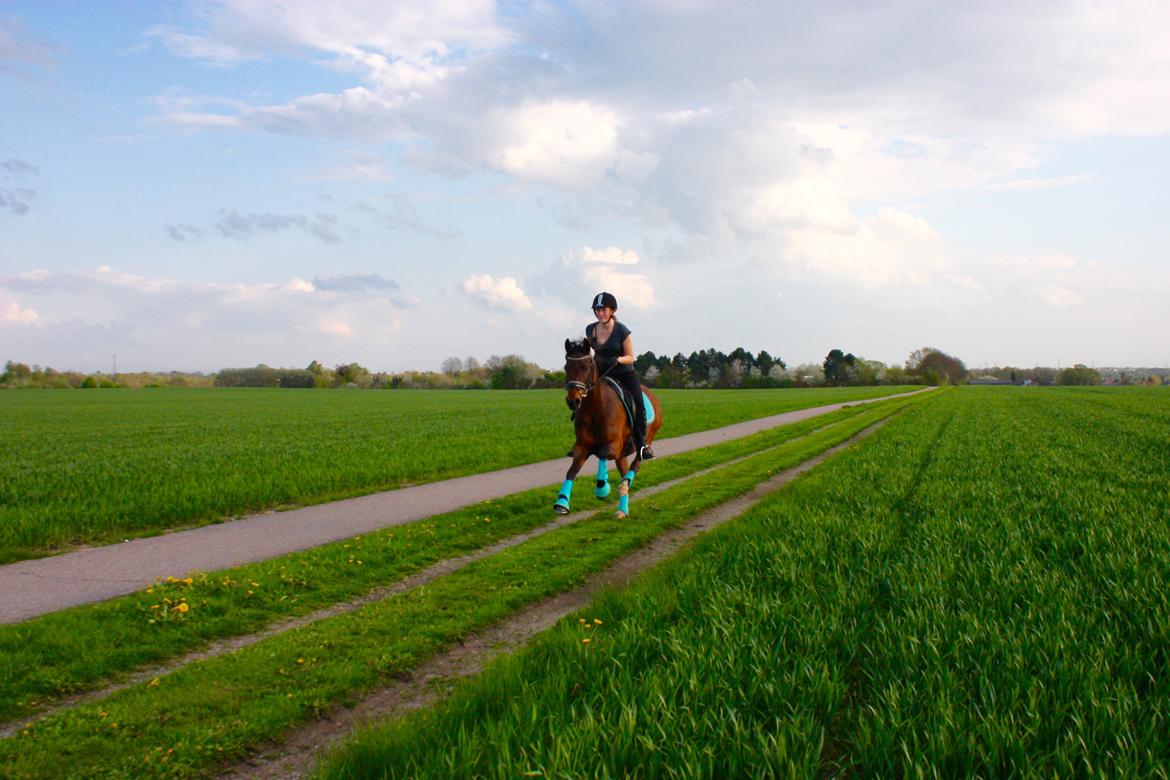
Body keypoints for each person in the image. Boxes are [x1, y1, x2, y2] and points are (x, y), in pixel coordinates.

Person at [585, 291, 655, 460]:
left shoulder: (622, 331)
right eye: (597, 310)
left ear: (612, 311)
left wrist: (617, 360)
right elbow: (590, 352)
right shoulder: (590, 329)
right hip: (602, 372)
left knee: (638, 402)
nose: (600, 313)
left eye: (604, 309)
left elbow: (631, 356)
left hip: (624, 372)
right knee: (583, 395)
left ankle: (642, 445)